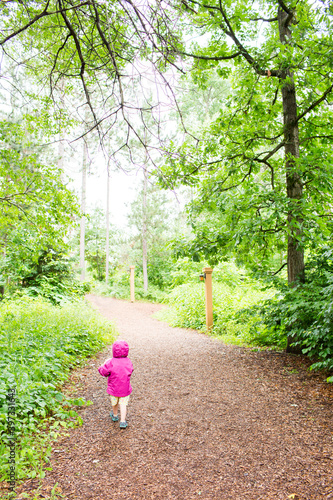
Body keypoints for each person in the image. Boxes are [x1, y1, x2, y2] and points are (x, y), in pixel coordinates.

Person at [98, 339, 133, 429]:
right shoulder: (128, 361)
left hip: (113, 389)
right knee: (123, 404)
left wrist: (101, 366)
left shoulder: (110, 362)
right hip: (125, 389)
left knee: (114, 402)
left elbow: (104, 372)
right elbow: (131, 370)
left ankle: (115, 415)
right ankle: (123, 421)